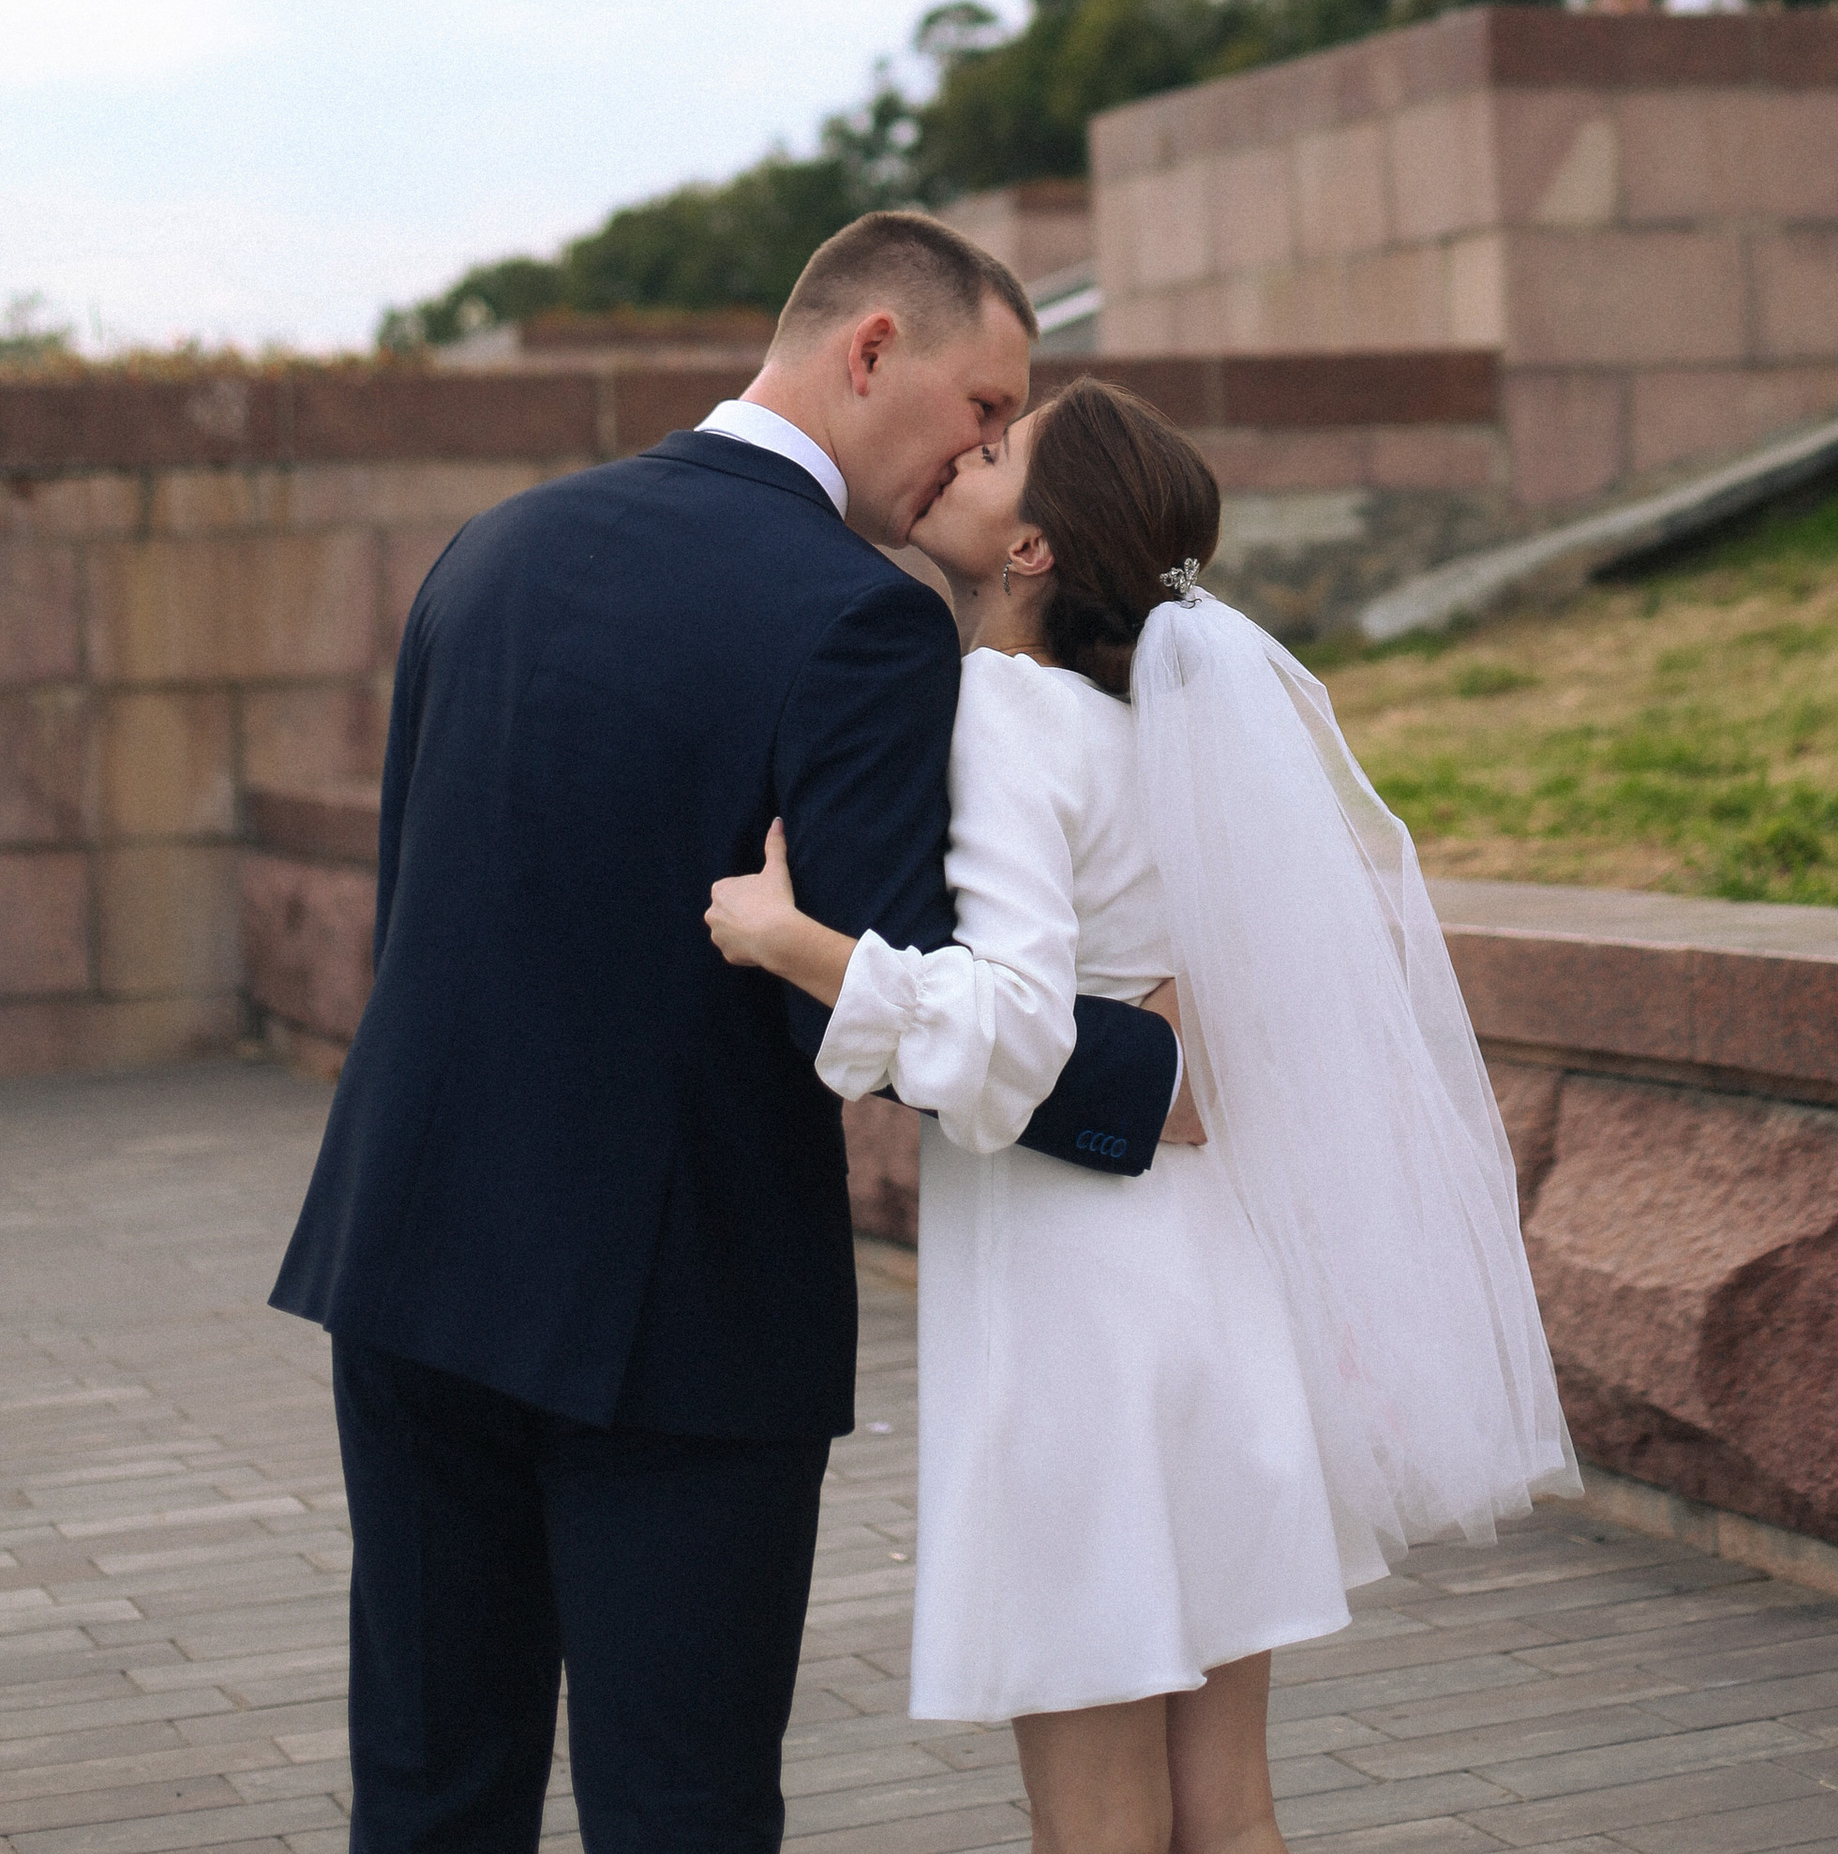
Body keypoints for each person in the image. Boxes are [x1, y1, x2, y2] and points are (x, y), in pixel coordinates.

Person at [271, 214, 1186, 1854]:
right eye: (984, 404)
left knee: (425, 1796)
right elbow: (894, 990)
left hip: (406, 1272)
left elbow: (421, 908)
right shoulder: (859, 619)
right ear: (871, 352)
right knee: (679, 1812)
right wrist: (1156, 1069)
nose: (991, 449)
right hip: (674, 1321)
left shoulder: (491, 547)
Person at [707, 374, 1576, 1854]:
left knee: (1099, 1828)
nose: (962, 458)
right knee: (1227, 1815)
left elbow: (1020, 1019)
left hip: (1081, 1328)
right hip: (1218, 1299)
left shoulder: (1008, 706)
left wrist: (795, 945)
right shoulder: (1165, 736)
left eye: (996, 453)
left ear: (1034, 549)